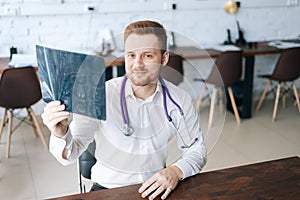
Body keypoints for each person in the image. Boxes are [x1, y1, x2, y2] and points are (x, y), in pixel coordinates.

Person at [42, 20, 207, 200]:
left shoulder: (179, 99)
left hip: (155, 189)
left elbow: (196, 150)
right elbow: (68, 155)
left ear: (164, 58)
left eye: (148, 56)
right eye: (131, 55)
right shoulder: (100, 95)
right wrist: (60, 132)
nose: (137, 64)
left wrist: (176, 171)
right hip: (106, 191)